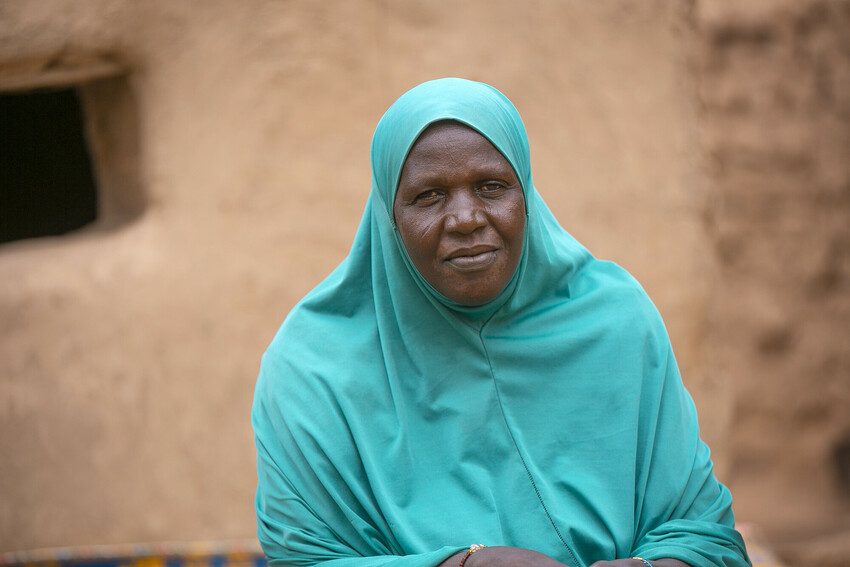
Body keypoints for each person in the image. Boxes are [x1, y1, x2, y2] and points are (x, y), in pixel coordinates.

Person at [252, 78, 750, 567]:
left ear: (526, 195)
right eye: (429, 195)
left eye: (492, 187)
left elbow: (704, 532)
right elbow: (304, 559)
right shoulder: (312, 371)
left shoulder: (616, 323)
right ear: (389, 216)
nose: (466, 217)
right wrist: (462, 566)